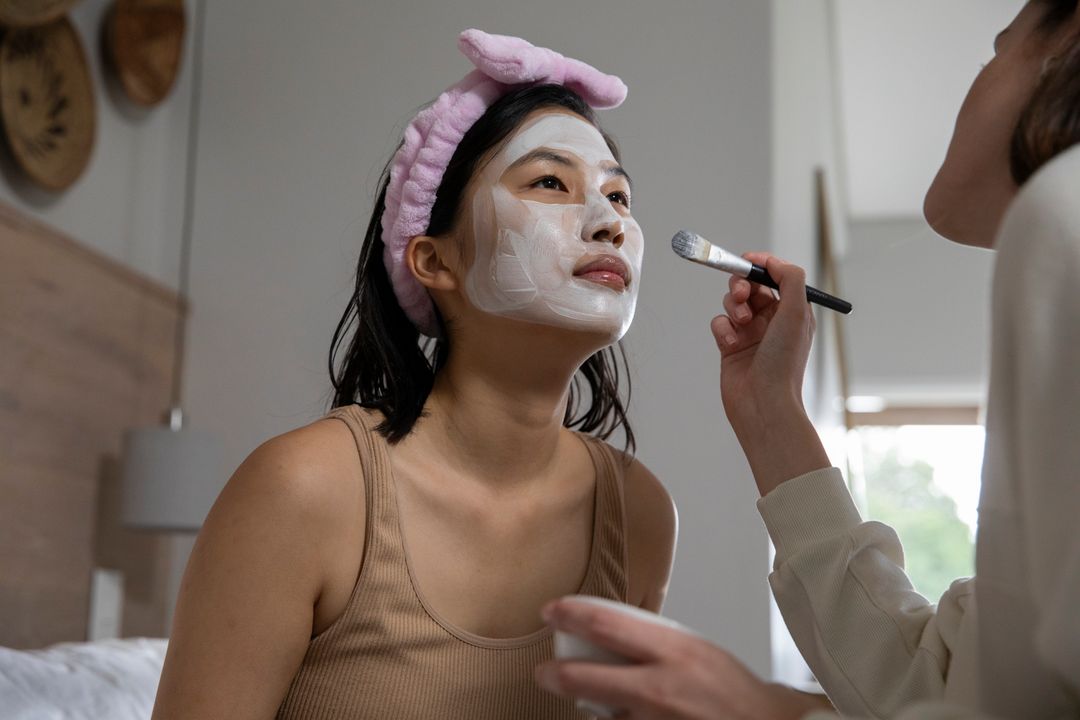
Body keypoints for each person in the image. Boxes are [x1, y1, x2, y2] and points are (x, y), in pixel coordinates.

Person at [537, 0, 1080, 718]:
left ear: (1066, 47)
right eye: (547, 182)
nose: (608, 221)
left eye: (996, 50)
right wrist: (772, 414)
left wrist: (768, 711)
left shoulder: (1064, 218)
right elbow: (942, 685)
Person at [151, 30, 676, 720]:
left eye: (620, 196)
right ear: (434, 261)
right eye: (551, 182)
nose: (609, 221)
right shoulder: (304, 490)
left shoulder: (639, 514)